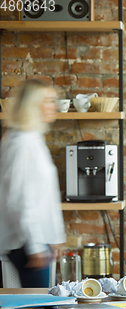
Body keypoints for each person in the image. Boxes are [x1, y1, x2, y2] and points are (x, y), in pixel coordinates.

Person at [0, 79, 66, 287]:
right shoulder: (22, 144)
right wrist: (36, 245)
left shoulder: (33, 139)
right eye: (48, 100)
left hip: (36, 240)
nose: (54, 106)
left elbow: (45, 196)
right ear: (33, 105)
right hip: (26, 243)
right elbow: (20, 200)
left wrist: (54, 237)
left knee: (40, 307)